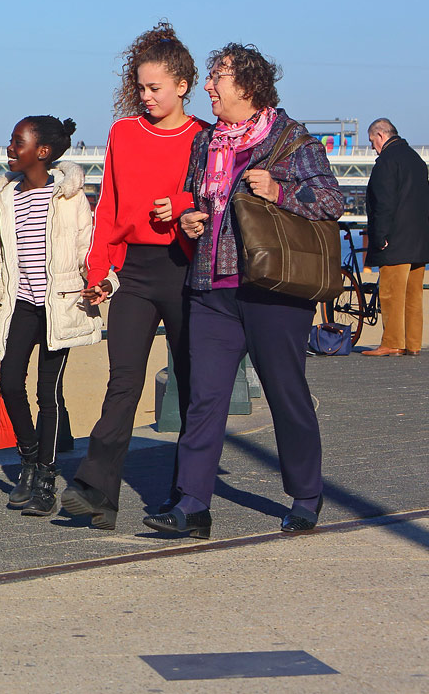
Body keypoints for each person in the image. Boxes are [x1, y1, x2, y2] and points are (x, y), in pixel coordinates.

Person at [144, 43, 345, 539]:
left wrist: (280, 192)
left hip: (272, 290)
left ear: (248, 88)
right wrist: (190, 217)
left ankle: (305, 495)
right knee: (204, 399)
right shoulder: (206, 142)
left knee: (285, 392)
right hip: (211, 286)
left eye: (218, 79)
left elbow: (332, 200)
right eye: (211, 78)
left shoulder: (290, 141)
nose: (209, 87)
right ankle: (192, 505)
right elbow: (199, 196)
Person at [59, 22, 207, 530]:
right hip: (136, 275)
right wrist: (99, 270)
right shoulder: (123, 133)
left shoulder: (205, 138)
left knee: (192, 387)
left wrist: (185, 204)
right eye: (140, 88)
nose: (145, 97)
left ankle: (187, 500)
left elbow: (218, 198)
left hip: (189, 270)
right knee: (122, 381)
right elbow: (109, 209)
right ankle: (97, 490)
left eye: (155, 88)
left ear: (183, 85)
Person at [0, 115, 102, 515]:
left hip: (61, 304)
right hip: (21, 304)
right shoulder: (5, 196)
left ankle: (46, 476)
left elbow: (91, 249)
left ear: (43, 152)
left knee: (48, 393)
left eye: (17, 142)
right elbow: (1, 257)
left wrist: (104, 283)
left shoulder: (69, 197)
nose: (9, 148)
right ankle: (29, 458)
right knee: (11, 385)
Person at [362, 117, 429, 356]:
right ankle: (412, 344)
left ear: (380, 136)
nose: (373, 147)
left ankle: (392, 342)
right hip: (419, 241)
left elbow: (384, 203)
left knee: (391, 293)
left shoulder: (387, 162)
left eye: (372, 141)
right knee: (414, 296)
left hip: (395, 241)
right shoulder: (416, 159)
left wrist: (380, 236)